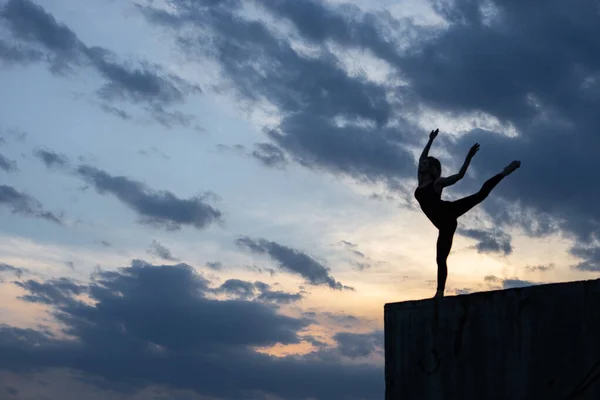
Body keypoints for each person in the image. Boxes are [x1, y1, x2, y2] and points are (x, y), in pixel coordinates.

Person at [414, 128, 520, 298]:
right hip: (442, 225)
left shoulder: (437, 183)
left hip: (448, 214)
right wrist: (430, 140)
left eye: (426, 164)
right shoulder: (420, 182)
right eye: (422, 163)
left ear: (432, 169)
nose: (421, 164)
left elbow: (459, 176)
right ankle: (439, 293)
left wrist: (468, 158)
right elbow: (421, 158)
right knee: (440, 259)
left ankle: (504, 172)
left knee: (480, 195)